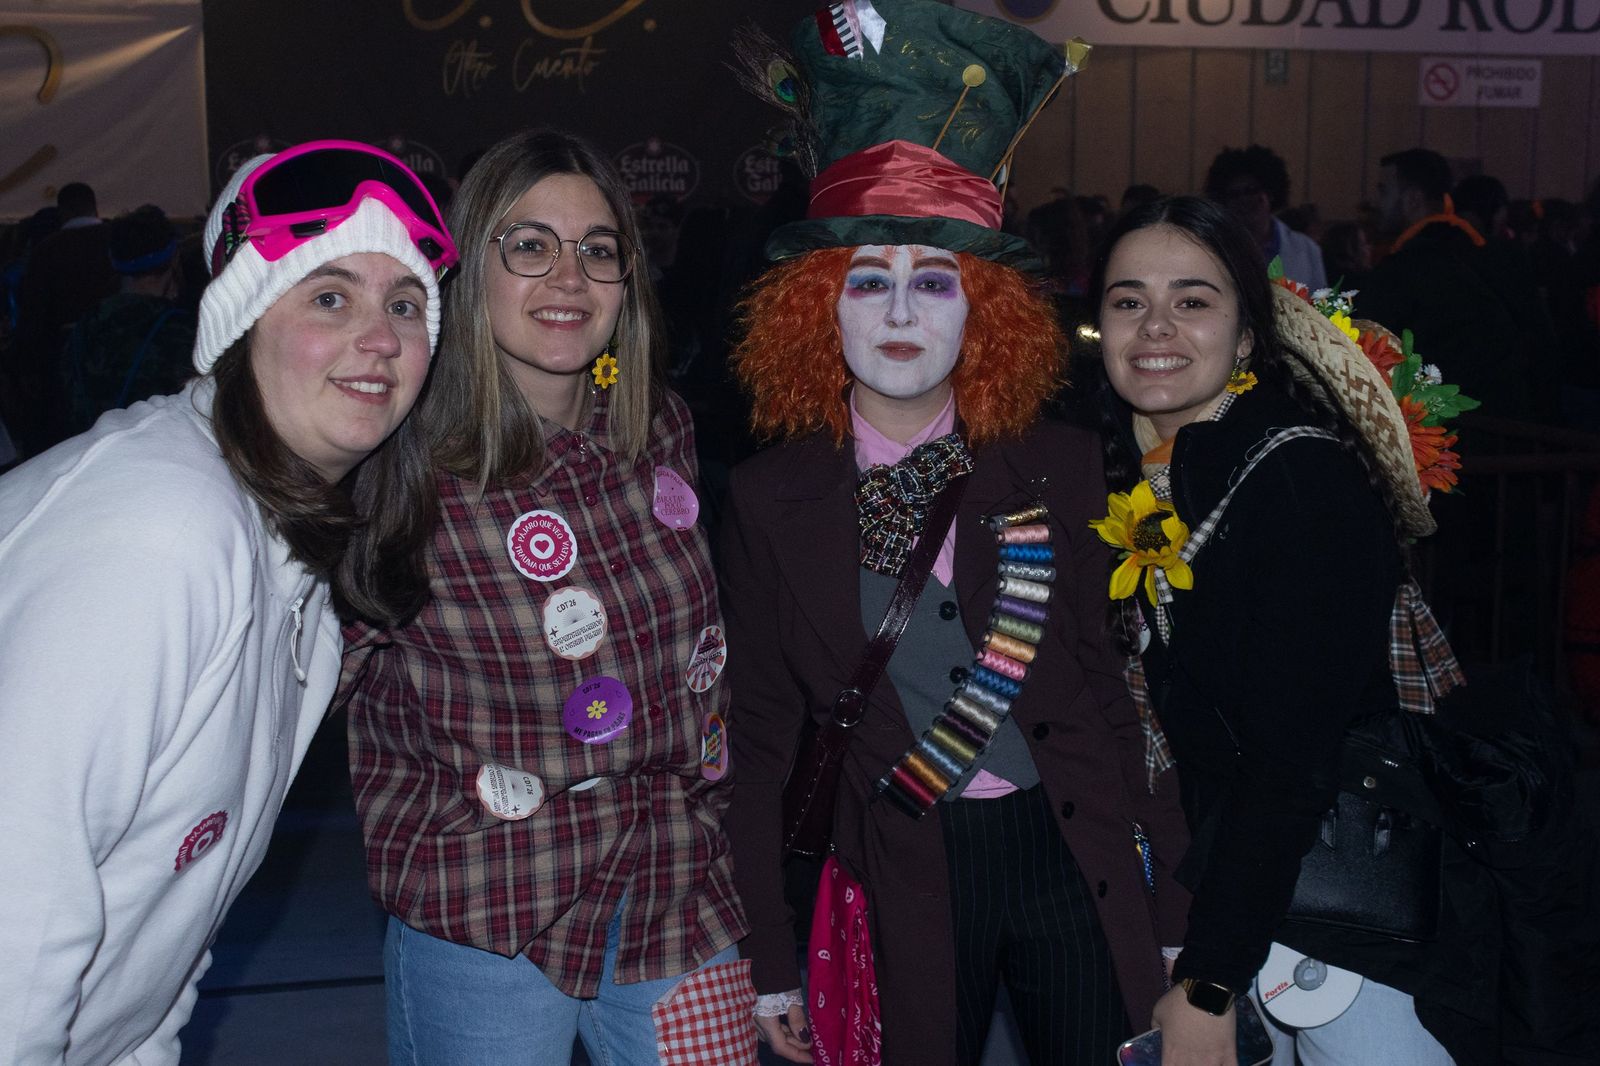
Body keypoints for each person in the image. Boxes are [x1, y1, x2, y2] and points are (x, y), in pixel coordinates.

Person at [721, 5, 1190, 1064]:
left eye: (934, 281)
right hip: (897, 867)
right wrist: (769, 955)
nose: (899, 311)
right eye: (867, 280)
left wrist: (1174, 909)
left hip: (1070, 851)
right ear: (816, 311)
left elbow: (1117, 700)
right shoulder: (764, 497)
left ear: (982, 310)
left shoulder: (1059, 463)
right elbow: (756, 741)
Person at [0, 140, 455, 1065]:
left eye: (405, 305)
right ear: (242, 324)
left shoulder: (301, 583)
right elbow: (16, 917)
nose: (381, 337)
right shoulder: (160, 530)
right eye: (331, 296)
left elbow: (170, 934)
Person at [336, 127, 751, 1066]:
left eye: (597, 251)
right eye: (530, 245)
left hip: (675, 889)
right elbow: (290, 690)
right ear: (469, 267)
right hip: (491, 912)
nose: (569, 277)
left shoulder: (660, 428)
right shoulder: (397, 469)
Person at [1088, 195, 1504, 1064]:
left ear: (1246, 339)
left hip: (1353, 936)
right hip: (1257, 912)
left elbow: (1288, 762)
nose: (1155, 325)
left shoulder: (1296, 477)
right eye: (1129, 300)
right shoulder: (1157, 476)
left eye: (1193, 300)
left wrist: (1210, 980)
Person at [59, 205, 197, 436]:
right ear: (174, 258)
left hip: (92, 453)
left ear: (113, 260)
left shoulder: (85, 327)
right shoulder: (180, 332)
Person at [1203, 145, 1326, 290]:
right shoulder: (1211, 248)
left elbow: (1320, 304)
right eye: (1234, 194)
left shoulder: (1306, 249)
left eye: (1251, 191)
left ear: (1270, 193)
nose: (1244, 200)